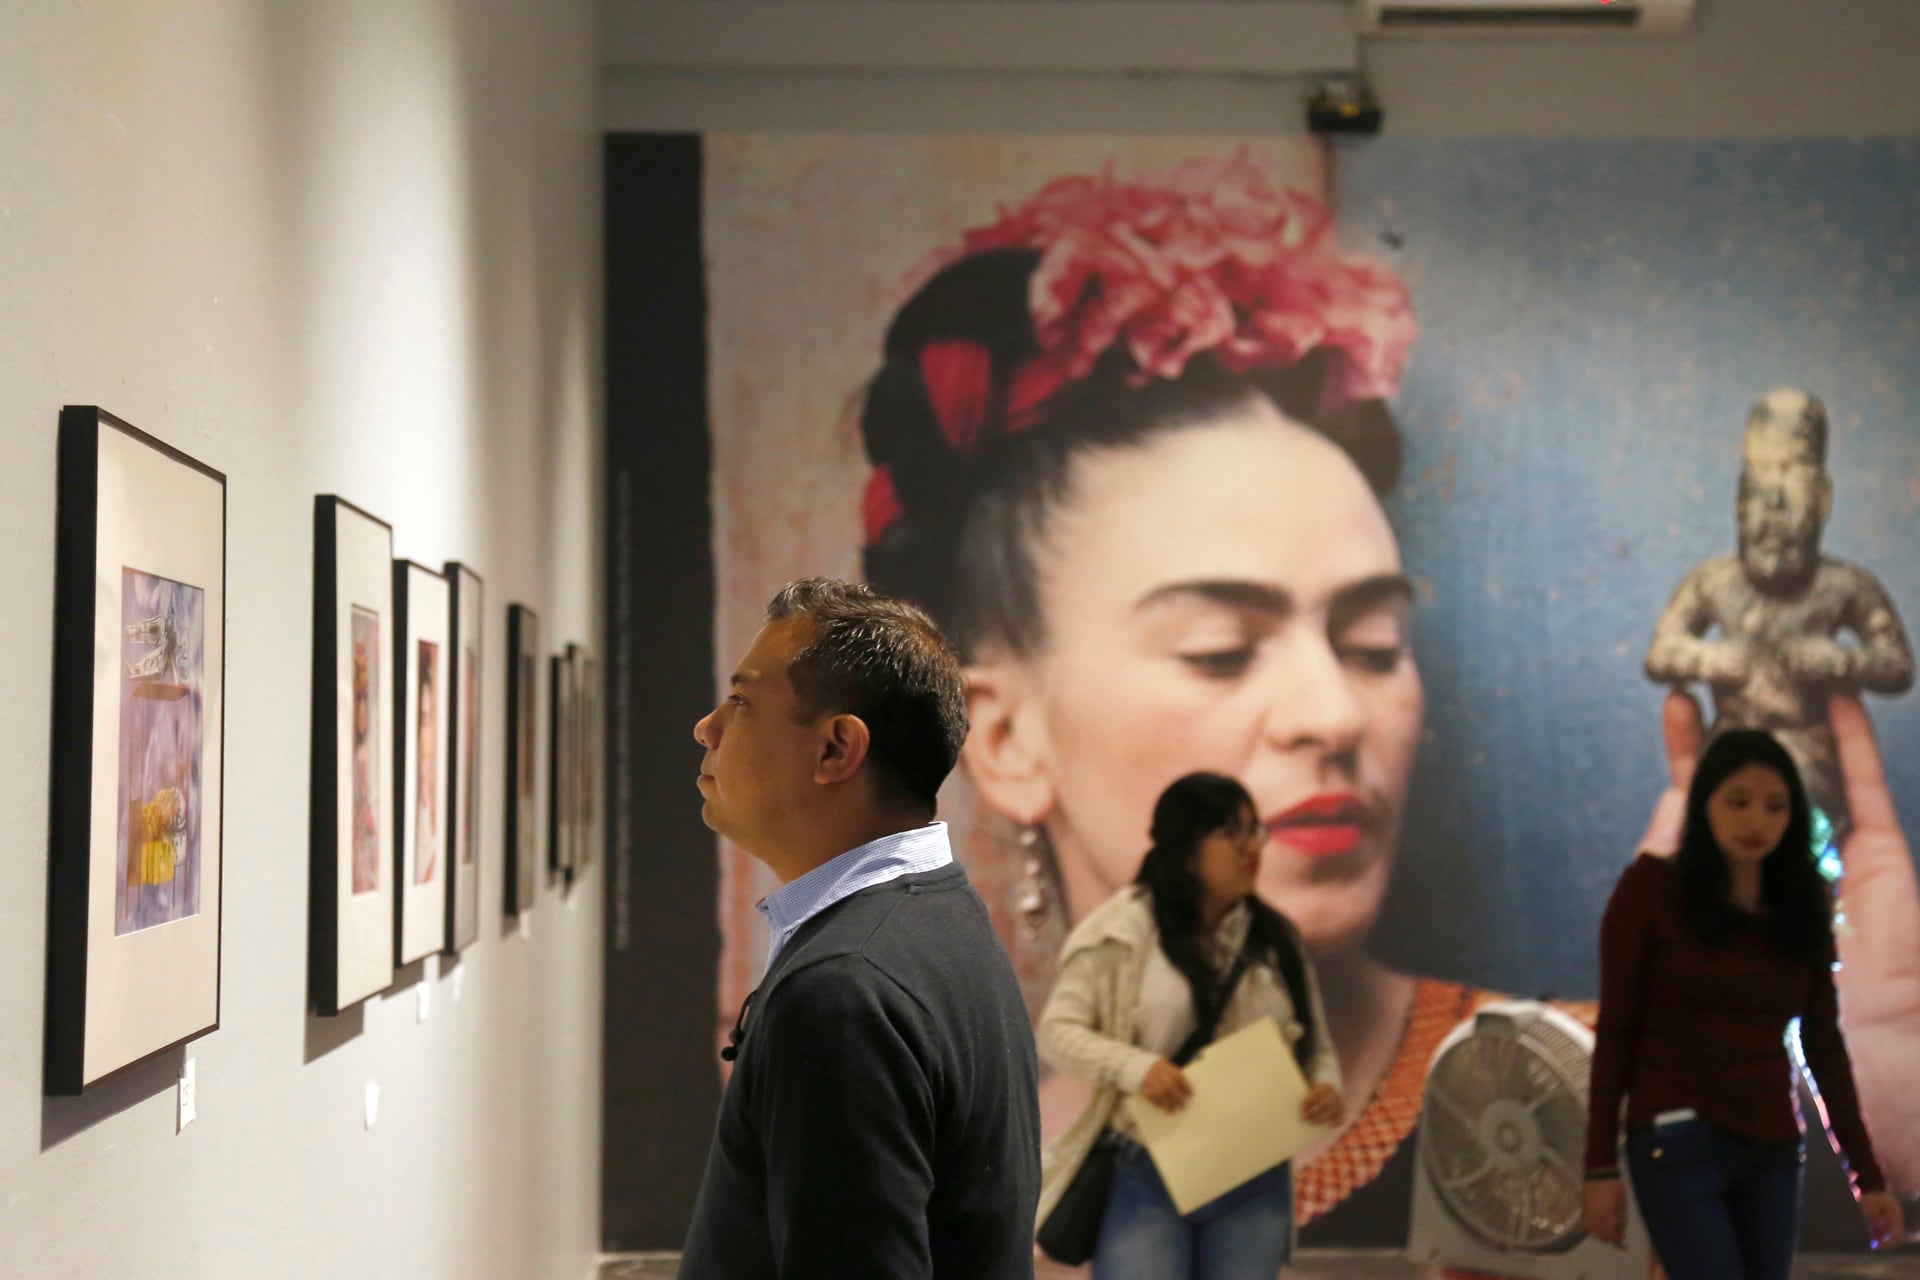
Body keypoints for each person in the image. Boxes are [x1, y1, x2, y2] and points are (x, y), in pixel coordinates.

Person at [854, 155, 1460, 1238]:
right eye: (1223, 649)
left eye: (1374, 641)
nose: (1333, 712)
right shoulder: (962, 1191)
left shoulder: (1570, 1080)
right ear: (1003, 735)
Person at [678, 577, 1042, 1279]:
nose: (709, 727)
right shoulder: (936, 916)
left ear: (836, 749)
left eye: (744, 701)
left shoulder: (844, 991)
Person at [1583, 727, 1905, 1275]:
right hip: (1675, 1138)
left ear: (1794, 816)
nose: (1756, 821)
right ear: (1704, 802)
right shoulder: (1652, 890)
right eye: (1738, 802)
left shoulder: (1801, 904)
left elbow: (1823, 1044)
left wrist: (1867, 1176)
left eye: (1774, 806)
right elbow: (1616, 1029)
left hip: (1772, 1147)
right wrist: (1599, 1168)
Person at [1037, 772, 1344, 1279]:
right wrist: (1136, 1067)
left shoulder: (1274, 937)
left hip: (1253, 1172)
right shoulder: (1121, 931)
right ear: (1186, 847)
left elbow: (1318, 1047)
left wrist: (1326, 1087)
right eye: (1231, 832)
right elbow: (1058, 1031)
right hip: (1147, 1169)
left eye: (1255, 831)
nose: (1252, 848)